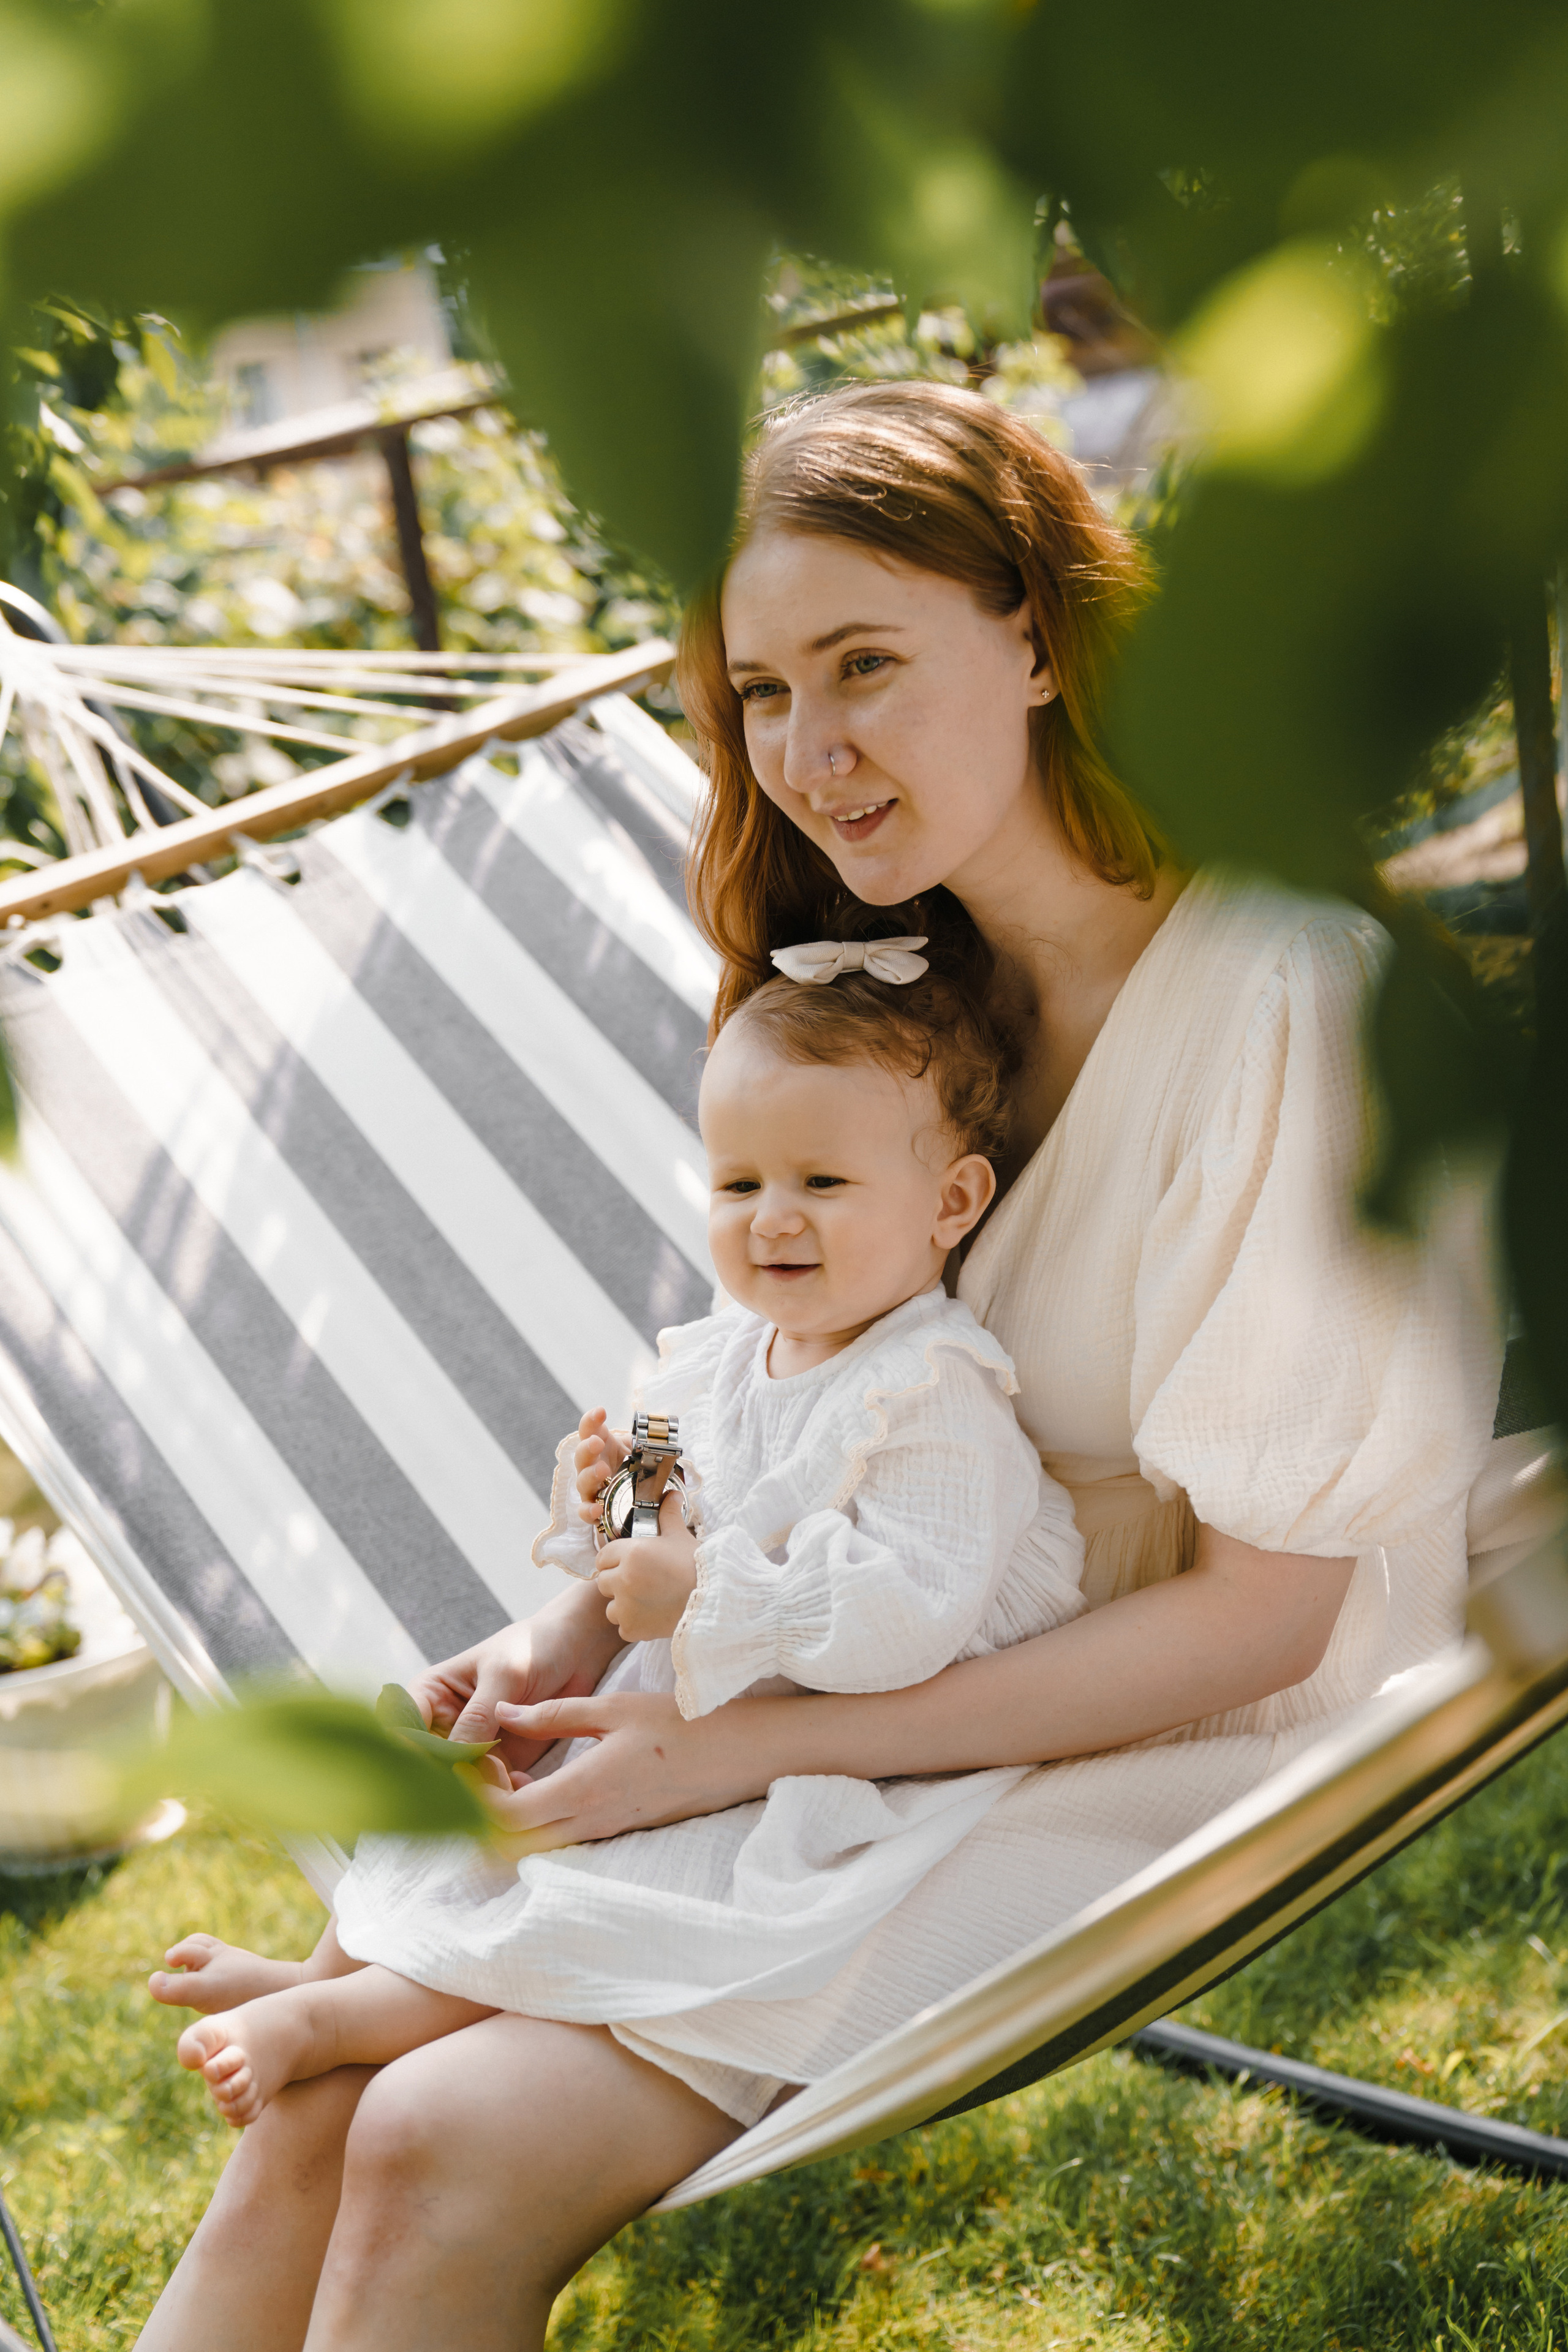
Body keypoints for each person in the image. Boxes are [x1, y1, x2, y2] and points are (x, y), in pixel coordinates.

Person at [137, 382, 1499, 2352]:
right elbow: (708, 1384)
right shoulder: (871, 996)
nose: (813, 754)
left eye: (868, 664)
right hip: (812, 1684)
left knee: (430, 2136)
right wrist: (554, 1644)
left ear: (1035, 630)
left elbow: (1267, 1623)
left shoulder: (1280, 992)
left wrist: (729, 1748)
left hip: (1143, 1737)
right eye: (763, 694)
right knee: (323, 2108)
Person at [167, 946, 1087, 2130]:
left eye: (822, 1181)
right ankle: (323, 1974)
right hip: (685, 1703)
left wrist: (707, 1593)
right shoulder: (716, 1354)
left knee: (586, 1897)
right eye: (739, 1185)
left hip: (824, 1755)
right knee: (465, 1818)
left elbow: (907, 1616)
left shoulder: (931, 1394)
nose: (773, 1221)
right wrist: (614, 1498)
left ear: (951, 1204)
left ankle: (330, 2026)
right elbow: (651, 1519)